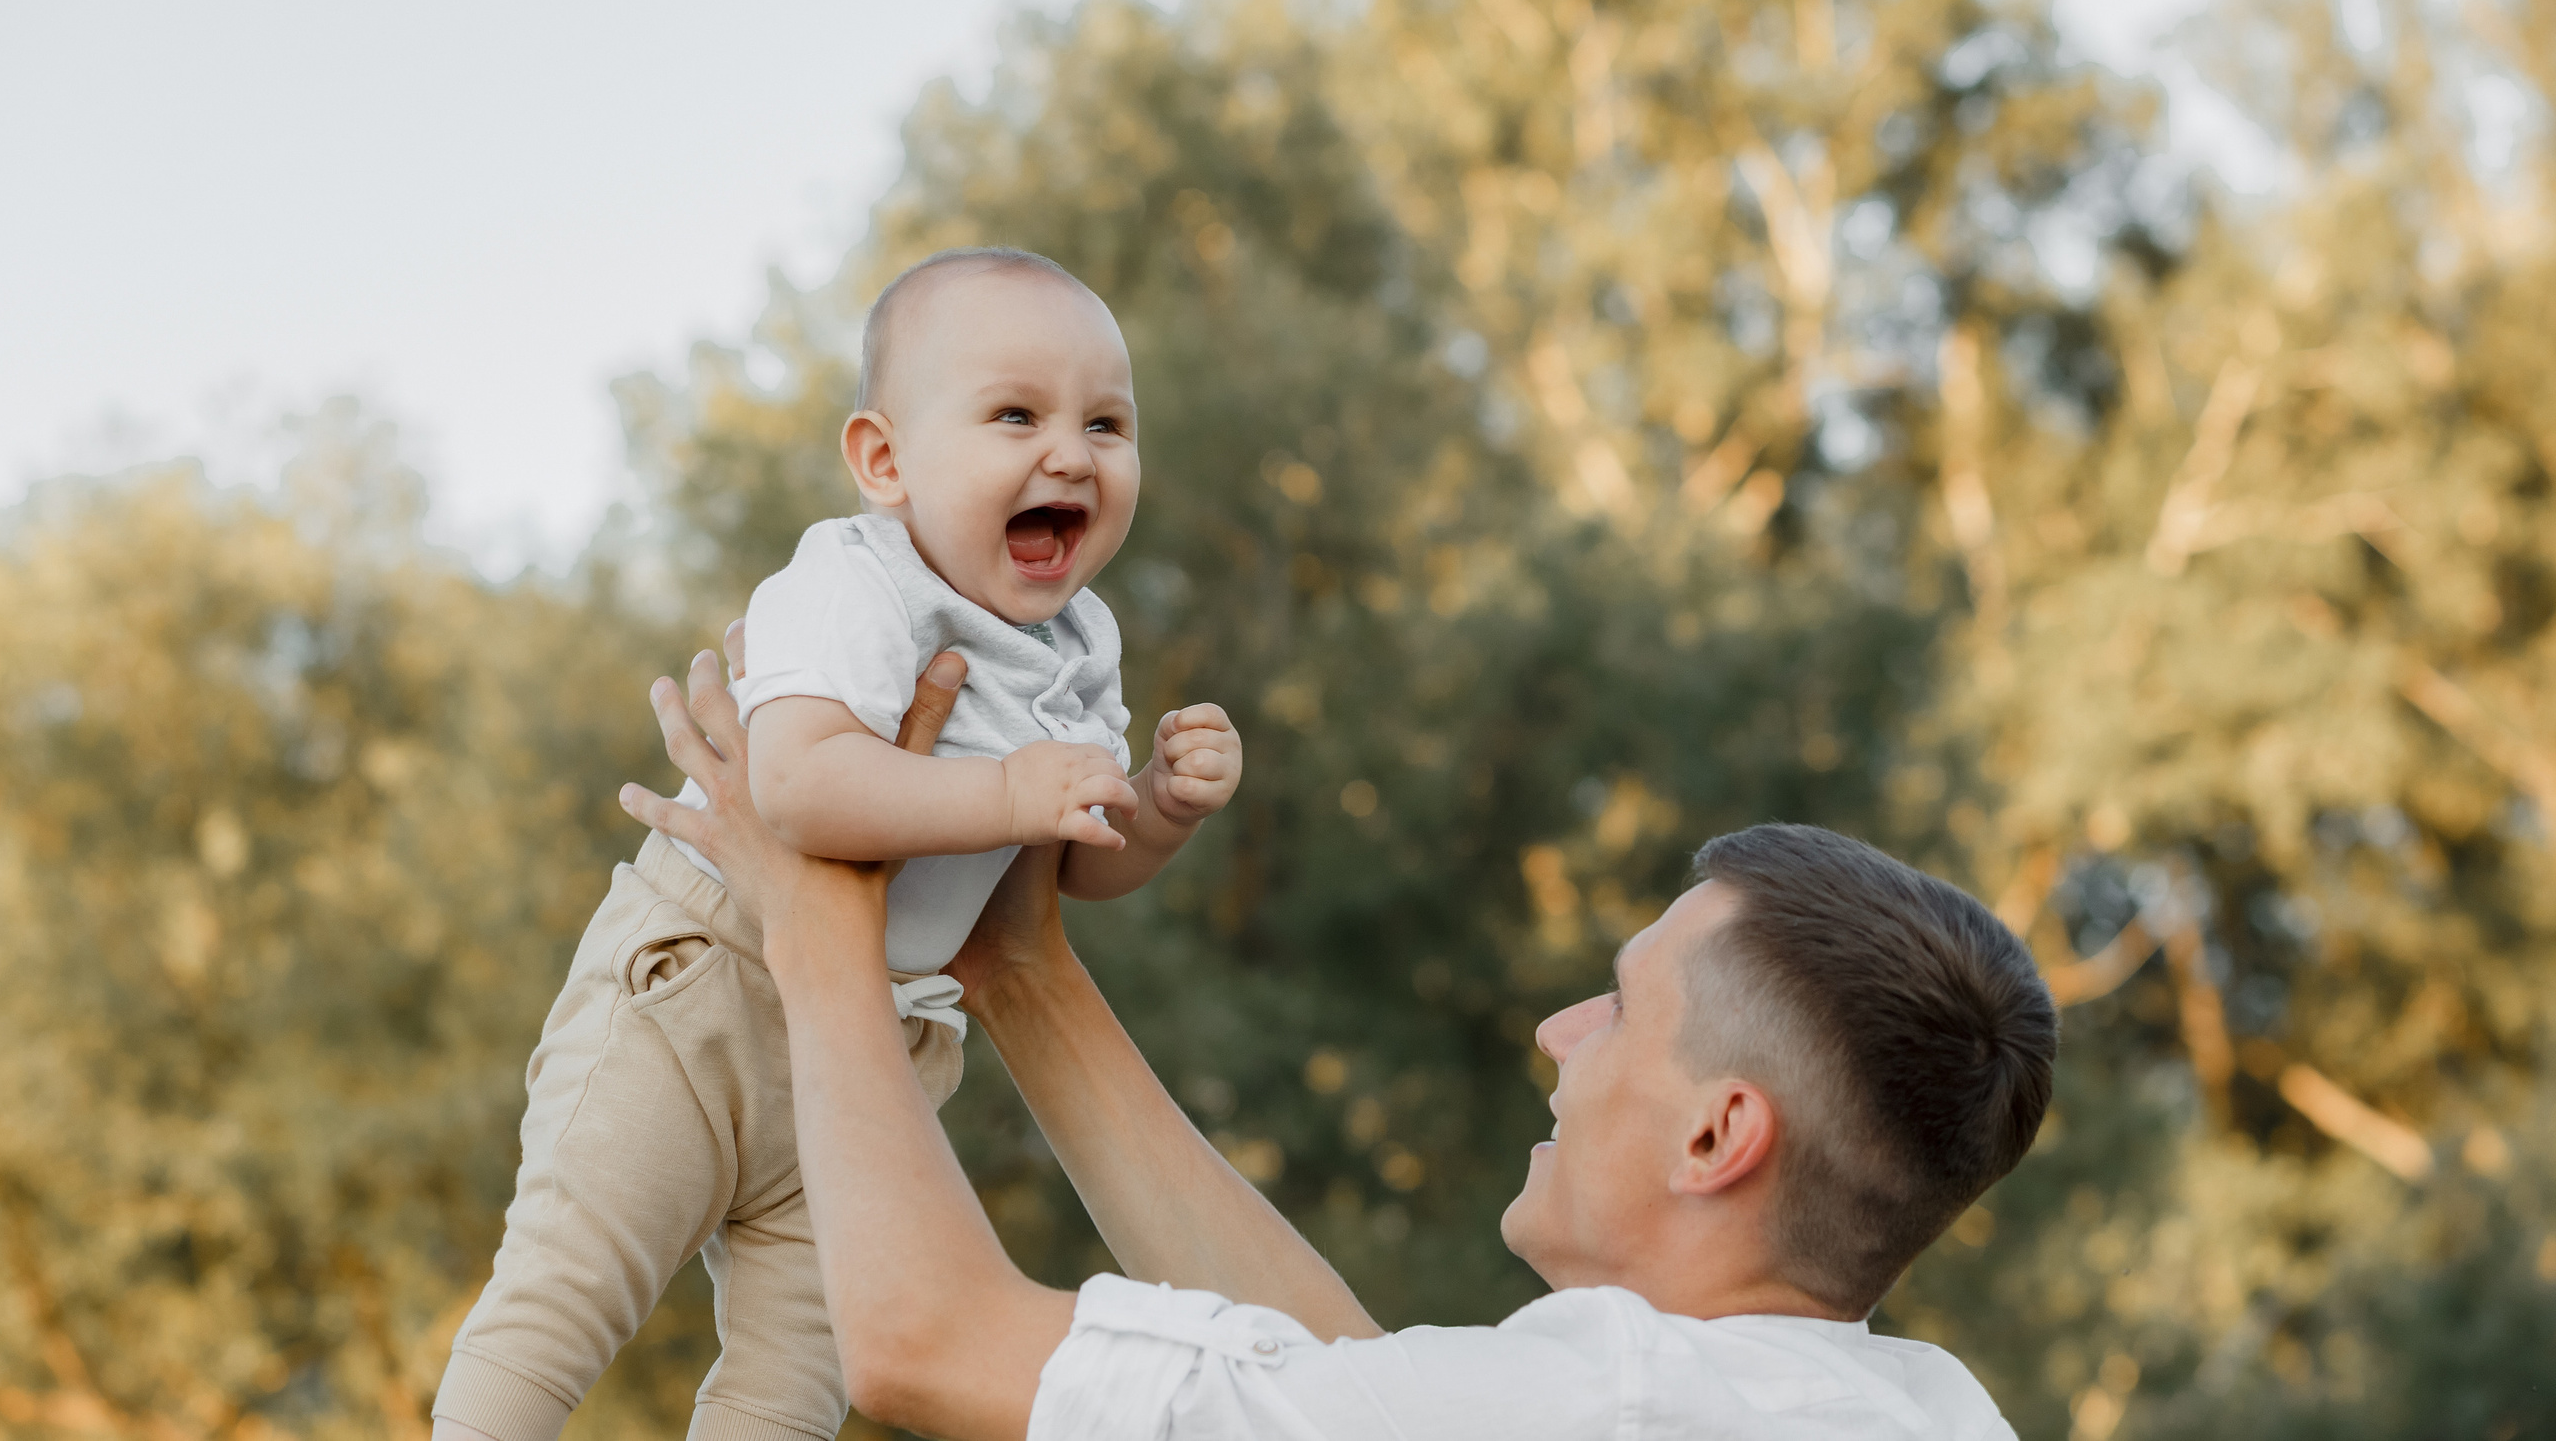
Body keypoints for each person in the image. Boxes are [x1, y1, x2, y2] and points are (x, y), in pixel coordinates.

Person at [612, 639, 2059, 1441]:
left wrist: (814, 925)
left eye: (1620, 1003)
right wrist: (1017, 961)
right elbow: (1359, 1388)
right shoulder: (1915, 1408)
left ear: (1715, 1134)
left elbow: (925, 1344)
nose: (1561, 1032)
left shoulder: (1610, 1401)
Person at [431, 248, 1244, 1441]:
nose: (1069, 452)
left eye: (1106, 424)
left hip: (880, 1042)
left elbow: (1074, 866)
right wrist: (1014, 787)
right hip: (706, 986)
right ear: (884, 462)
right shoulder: (857, 580)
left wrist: (1157, 808)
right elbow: (802, 789)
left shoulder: (1081, 640)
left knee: (795, 1382)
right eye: (1016, 414)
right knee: (566, 1296)